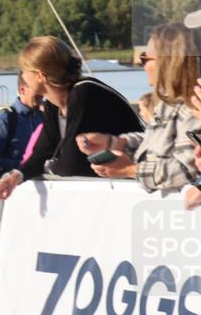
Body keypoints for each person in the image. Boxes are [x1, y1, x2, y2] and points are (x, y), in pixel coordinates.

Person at [0, 36, 142, 202]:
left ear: (40, 75)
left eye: (24, 71)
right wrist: (16, 177)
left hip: (134, 186)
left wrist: (49, 165)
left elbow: (71, 164)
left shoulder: (84, 93)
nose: (22, 77)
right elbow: (42, 153)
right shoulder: (53, 105)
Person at [76, 23, 200, 197]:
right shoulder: (167, 105)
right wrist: (116, 143)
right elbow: (157, 143)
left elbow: (187, 169)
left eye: (145, 58)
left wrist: (130, 170)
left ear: (167, 63)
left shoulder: (194, 107)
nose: (142, 66)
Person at [0, 73, 43, 174]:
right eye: (37, 91)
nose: (41, 95)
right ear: (22, 90)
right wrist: (21, 165)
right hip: (12, 183)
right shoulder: (5, 119)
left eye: (42, 90)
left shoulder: (42, 117)